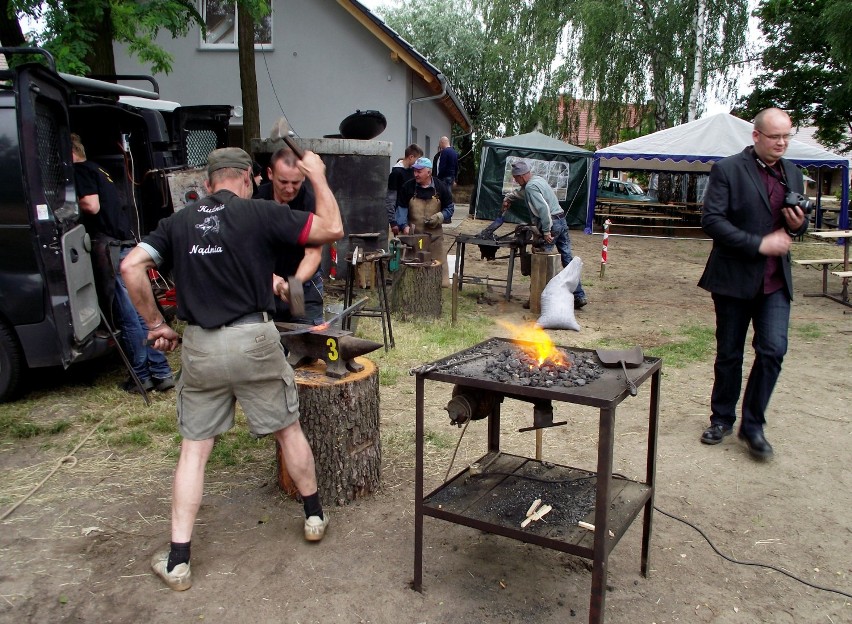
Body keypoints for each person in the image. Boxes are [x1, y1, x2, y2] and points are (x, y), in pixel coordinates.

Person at [121, 147, 343, 591]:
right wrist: (317, 175)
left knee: (194, 451)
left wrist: (155, 325)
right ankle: (314, 516)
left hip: (201, 347)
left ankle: (179, 560)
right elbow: (331, 229)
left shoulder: (178, 223)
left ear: (207, 184)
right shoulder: (259, 212)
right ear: (248, 180)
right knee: (288, 430)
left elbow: (131, 266)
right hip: (255, 340)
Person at [698, 107, 808, 460]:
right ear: (756, 136)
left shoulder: (793, 172)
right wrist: (758, 243)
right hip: (733, 278)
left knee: (773, 350)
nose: (782, 143)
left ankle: (753, 425)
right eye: (775, 136)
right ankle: (722, 418)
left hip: (775, 281)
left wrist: (798, 225)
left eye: (786, 136)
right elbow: (712, 221)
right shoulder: (729, 169)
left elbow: (799, 226)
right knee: (729, 353)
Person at [71, 134, 174, 393]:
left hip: (110, 248)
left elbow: (91, 205)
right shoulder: (100, 169)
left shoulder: (80, 171)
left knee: (129, 317)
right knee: (142, 314)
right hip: (124, 245)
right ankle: (160, 372)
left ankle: (140, 377)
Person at [503, 160, 588, 308]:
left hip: (552, 224)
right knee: (567, 258)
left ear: (521, 176)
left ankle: (537, 299)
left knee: (541, 261)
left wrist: (547, 231)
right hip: (561, 220)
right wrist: (508, 198)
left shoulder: (530, 187)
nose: (515, 181)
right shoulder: (537, 181)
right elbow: (521, 192)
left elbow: (543, 209)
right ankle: (579, 296)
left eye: (516, 178)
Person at [254, 147, 324, 325]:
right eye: (283, 181)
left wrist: (294, 286)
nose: (290, 188)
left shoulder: (310, 201)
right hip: (266, 283)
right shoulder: (256, 201)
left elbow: (313, 254)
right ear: (270, 173)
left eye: (296, 182)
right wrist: (271, 280)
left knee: (306, 339)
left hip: (301, 284)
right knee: (270, 342)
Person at [395, 156, 455, 287]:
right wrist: (404, 226)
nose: (415, 174)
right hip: (414, 237)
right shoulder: (408, 187)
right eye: (415, 171)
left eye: (419, 171)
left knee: (439, 276)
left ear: (429, 172)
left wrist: (439, 216)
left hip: (435, 237)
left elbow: (450, 208)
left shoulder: (441, 187)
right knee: (412, 276)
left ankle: (438, 284)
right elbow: (401, 209)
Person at [386, 143, 423, 236]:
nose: (418, 162)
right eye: (417, 159)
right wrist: (393, 222)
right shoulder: (396, 173)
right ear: (411, 157)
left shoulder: (412, 171)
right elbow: (391, 198)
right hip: (399, 215)